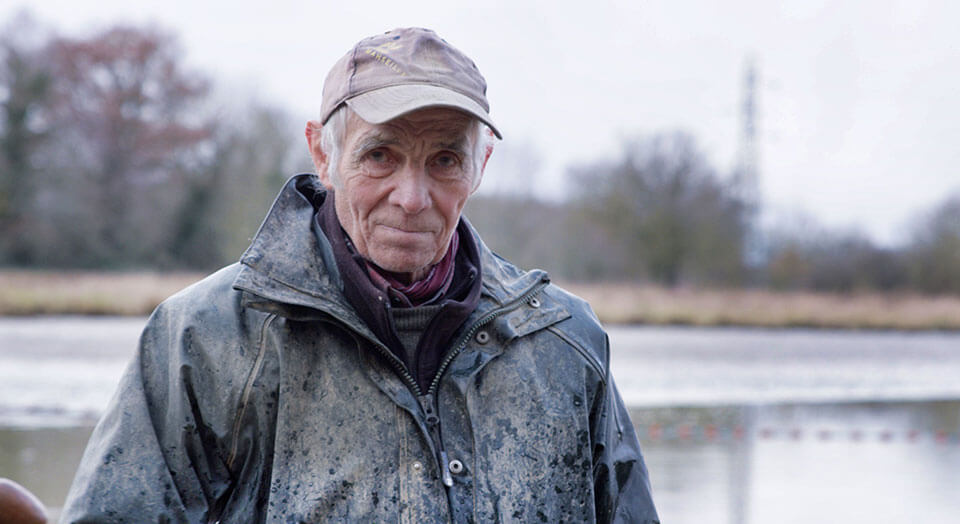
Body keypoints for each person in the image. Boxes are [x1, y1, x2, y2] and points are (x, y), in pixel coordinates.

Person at [61, 27, 659, 523]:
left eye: (445, 160)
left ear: (481, 167)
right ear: (323, 154)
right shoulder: (208, 338)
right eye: (380, 155)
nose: (412, 196)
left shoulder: (564, 341)